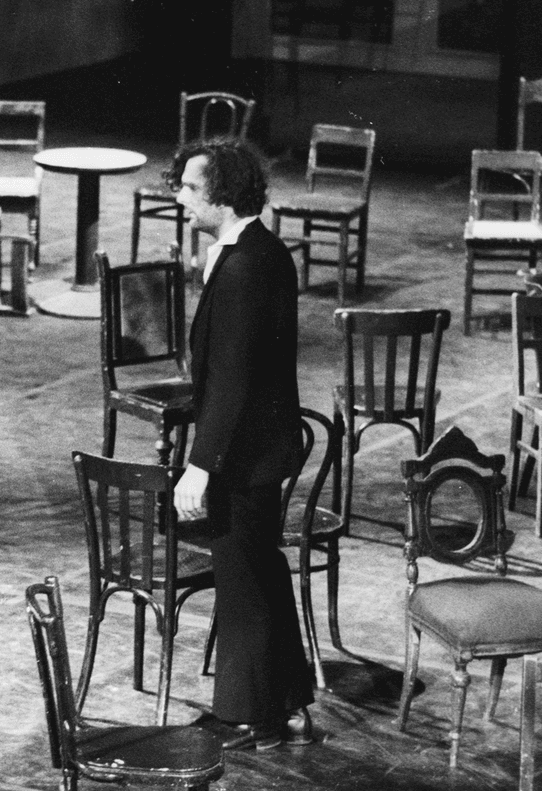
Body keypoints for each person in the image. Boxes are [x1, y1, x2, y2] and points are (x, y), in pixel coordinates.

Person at [166, 138, 316, 751]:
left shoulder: (249, 264)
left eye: (189, 188)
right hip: (255, 447)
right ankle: (283, 703)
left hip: (244, 455)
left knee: (243, 580)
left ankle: (248, 717)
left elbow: (234, 375)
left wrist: (200, 466)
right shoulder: (250, 249)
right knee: (260, 572)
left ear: (222, 197)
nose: (179, 197)